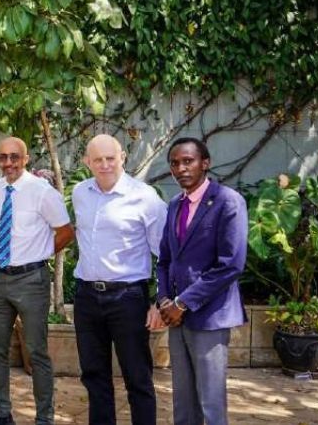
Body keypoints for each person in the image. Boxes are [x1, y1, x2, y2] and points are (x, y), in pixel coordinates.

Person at [0, 137, 74, 425]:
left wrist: (37, 254)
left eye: (14, 157)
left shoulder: (42, 192)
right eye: (3, 157)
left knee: (36, 351)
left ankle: (44, 417)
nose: (8, 163)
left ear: (26, 158)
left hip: (31, 280)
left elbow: (65, 232)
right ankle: (2, 413)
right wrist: (7, 253)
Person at [72, 135, 167, 425]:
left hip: (128, 299)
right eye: (97, 159)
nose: (104, 165)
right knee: (94, 376)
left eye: (110, 158)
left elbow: (166, 254)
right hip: (86, 297)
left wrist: (159, 301)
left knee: (137, 377)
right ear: (87, 162)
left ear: (123, 157)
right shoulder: (80, 193)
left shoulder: (145, 197)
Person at [156, 137, 248, 425]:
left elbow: (231, 264)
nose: (181, 168)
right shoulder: (174, 205)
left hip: (209, 316)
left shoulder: (227, 201)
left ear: (205, 163)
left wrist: (183, 303)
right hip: (176, 318)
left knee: (211, 403)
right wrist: (163, 300)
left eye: (188, 161)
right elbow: (165, 260)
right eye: (174, 163)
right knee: (183, 401)